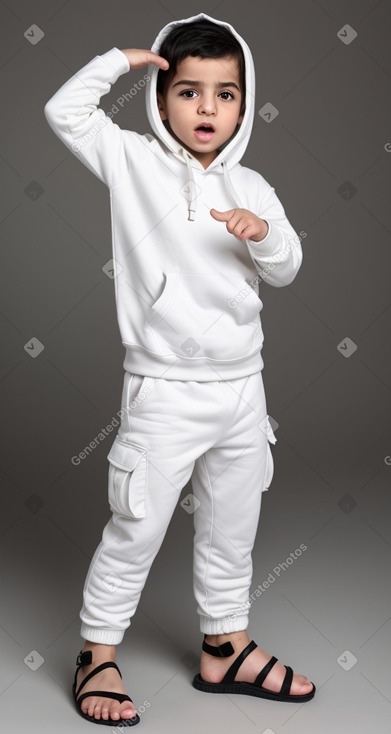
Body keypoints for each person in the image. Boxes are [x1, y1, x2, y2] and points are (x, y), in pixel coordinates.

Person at [44, 11, 315, 726]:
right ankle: (96, 653)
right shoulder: (132, 161)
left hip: (241, 389)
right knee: (135, 525)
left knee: (233, 525)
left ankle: (225, 646)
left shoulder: (251, 185)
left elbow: (287, 266)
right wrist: (122, 61)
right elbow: (63, 112)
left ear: (243, 103)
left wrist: (262, 238)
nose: (206, 108)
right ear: (162, 102)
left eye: (225, 94)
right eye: (188, 90)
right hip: (163, 389)